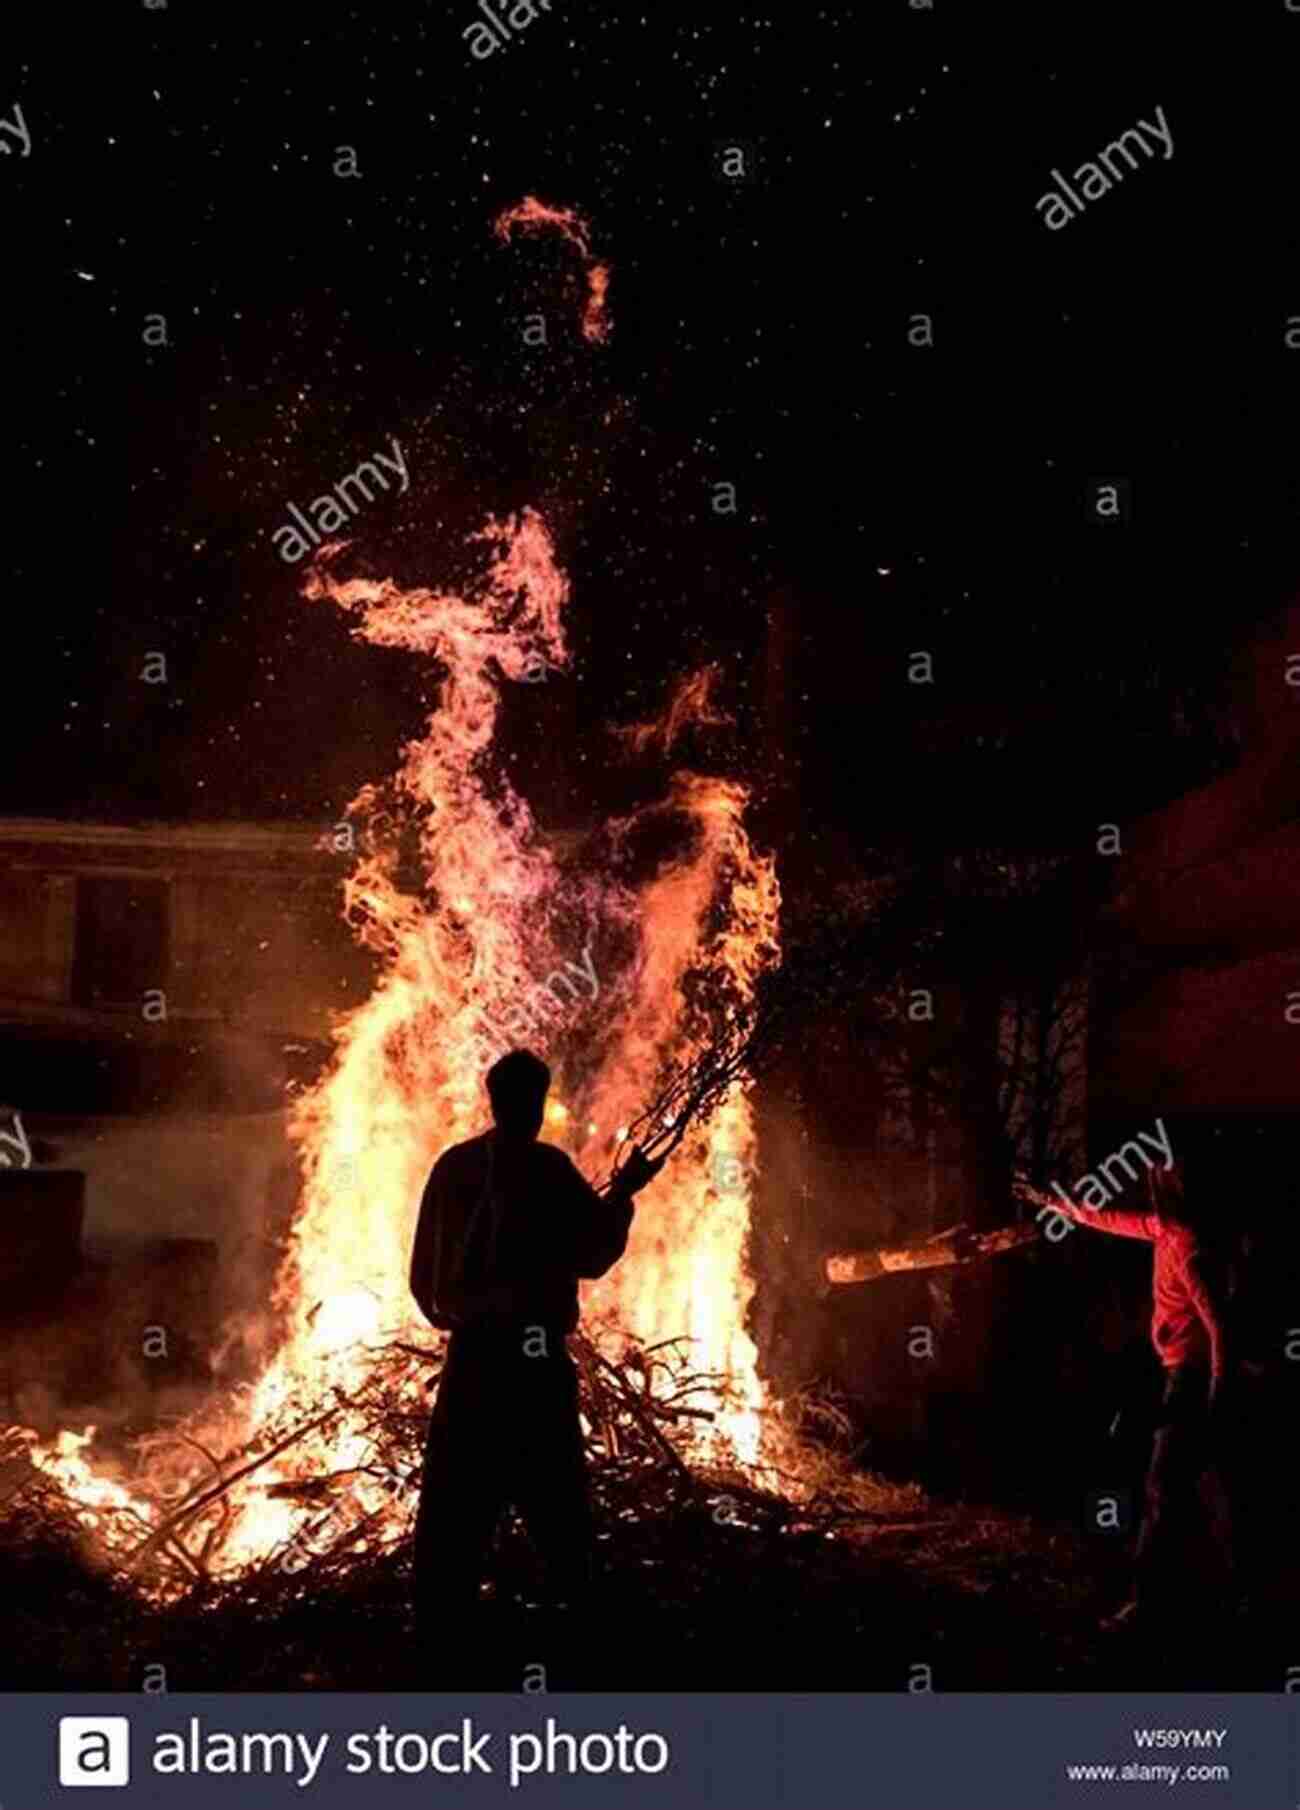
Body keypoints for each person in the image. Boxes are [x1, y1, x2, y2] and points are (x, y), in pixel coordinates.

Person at [409, 1048, 663, 1676]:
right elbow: (594, 1251)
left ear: (493, 1100)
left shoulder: (454, 1167)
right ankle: (579, 1650)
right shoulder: (547, 1170)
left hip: (472, 1365)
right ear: (534, 1104)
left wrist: (461, 1322)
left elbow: (423, 1280)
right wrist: (624, 1193)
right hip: (532, 1367)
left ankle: (443, 1652)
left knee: (454, 1512)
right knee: (557, 1509)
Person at [1038, 1160, 1237, 1626]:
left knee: (1161, 1486)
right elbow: (1107, 1219)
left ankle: (1146, 1600)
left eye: (1159, 1182)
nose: (1151, 1189)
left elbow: (1219, 1327)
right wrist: (1056, 1204)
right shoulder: (1160, 1230)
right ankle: (1228, 1590)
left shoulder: (1185, 1245)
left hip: (1189, 1379)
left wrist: (1216, 1393)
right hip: (1177, 1374)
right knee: (1205, 1485)